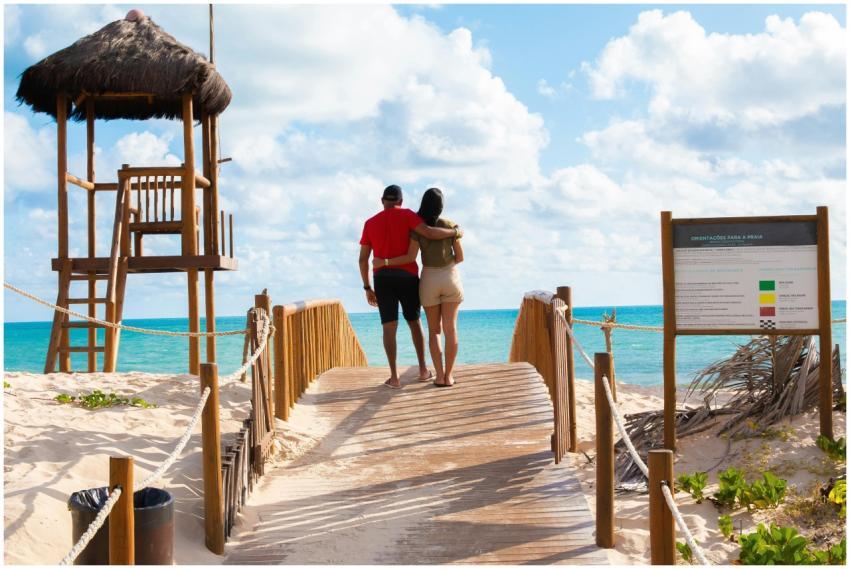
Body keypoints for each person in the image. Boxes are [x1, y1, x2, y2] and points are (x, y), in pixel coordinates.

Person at [358, 185, 462, 389]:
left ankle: (395, 378)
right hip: (408, 276)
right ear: (401, 201)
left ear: (382, 200)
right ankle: (424, 370)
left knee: (389, 327)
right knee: (414, 323)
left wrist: (367, 287)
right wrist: (455, 232)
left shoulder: (370, 223)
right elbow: (429, 233)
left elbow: (363, 259)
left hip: (382, 279)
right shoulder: (407, 216)